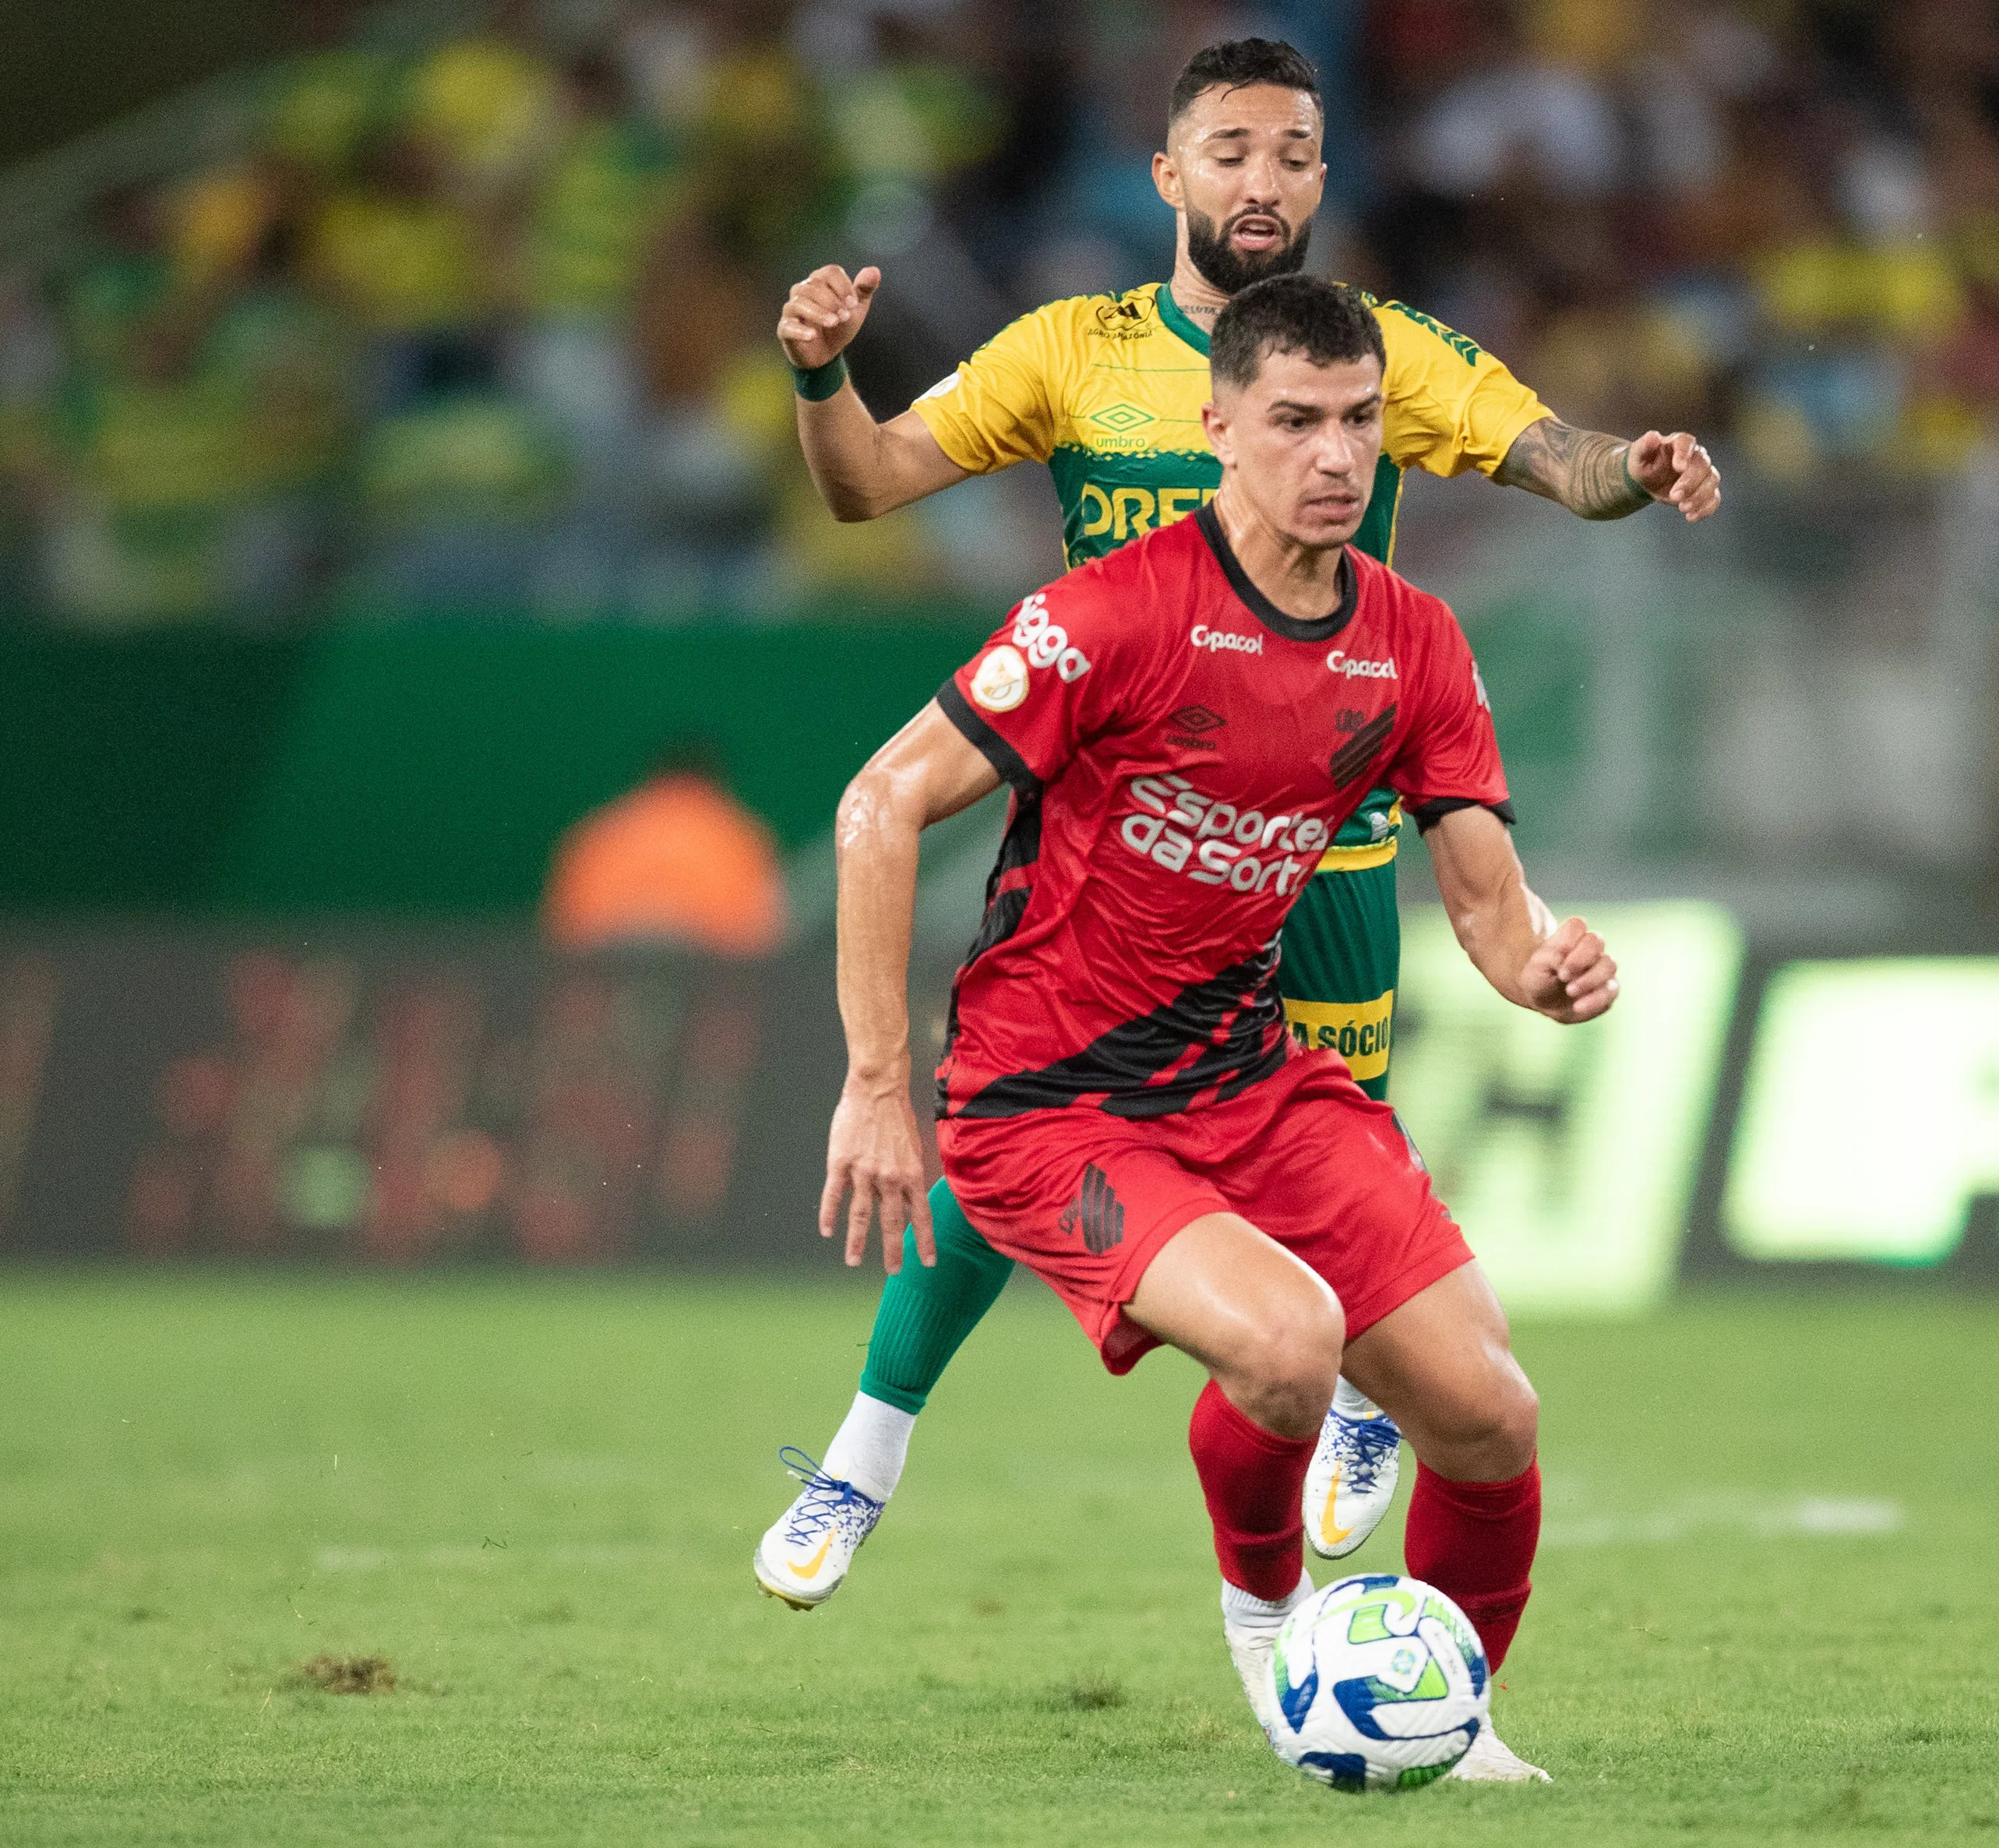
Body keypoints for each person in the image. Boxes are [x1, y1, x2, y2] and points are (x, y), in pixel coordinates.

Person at [756, 34, 1716, 1602]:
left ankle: (1345, 1404)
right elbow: (861, 486)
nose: (1260, 181)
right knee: (1028, 1123)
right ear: (1169, 177)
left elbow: (1555, 458)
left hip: (1322, 843)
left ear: (1325, 177)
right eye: (1230, 153)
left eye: (1291, 154)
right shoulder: (1069, 348)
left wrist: (1638, 465)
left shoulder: (1378, 353)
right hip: (1112, 830)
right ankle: (871, 1443)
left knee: (1321, 1146)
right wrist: (816, 376)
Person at [804, 277, 1612, 1780]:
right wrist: (873, 1078)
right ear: (1217, 426)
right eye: (1295, 421)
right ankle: (1271, 1629)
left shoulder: (1415, 643)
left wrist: (1543, 971)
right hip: (1050, 1100)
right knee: (1290, 1347)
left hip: (1248, 1072)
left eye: (1360, 420)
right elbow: (879, 800)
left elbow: (1495, 915)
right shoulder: (1107, 615)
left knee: (1491, 1418)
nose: (1335, 454)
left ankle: (1442, 1711)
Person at [540, 740, 785, 958]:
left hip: (607, 982)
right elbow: (761, 937)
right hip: (708, 984)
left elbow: (565, 932)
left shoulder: (598, 834)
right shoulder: (740, 839)